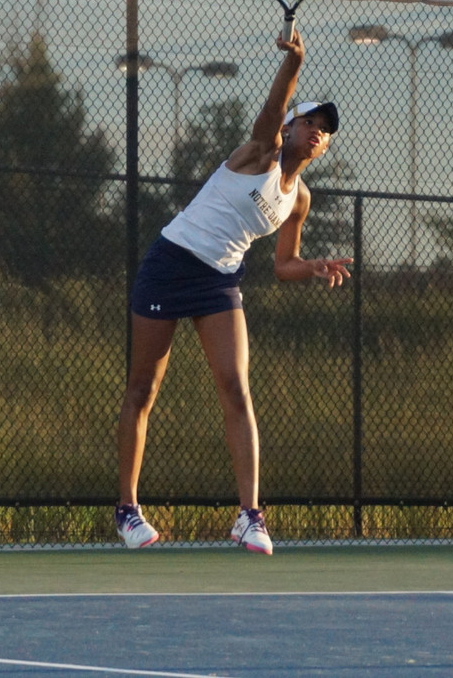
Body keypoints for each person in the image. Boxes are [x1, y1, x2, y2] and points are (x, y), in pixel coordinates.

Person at [114, 29, 352, 555]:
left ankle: (249, 516)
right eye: (309, 121)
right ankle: (127, 510)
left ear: (326, 145)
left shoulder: (300, 198)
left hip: (220, 280)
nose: (316, 131)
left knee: (236, 388)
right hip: (171, 263)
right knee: (143, 389)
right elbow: (271, 108)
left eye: (324, 130)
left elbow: (283, 264)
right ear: (290, 129)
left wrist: (311, 266)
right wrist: (294, 64)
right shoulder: (261, 153)